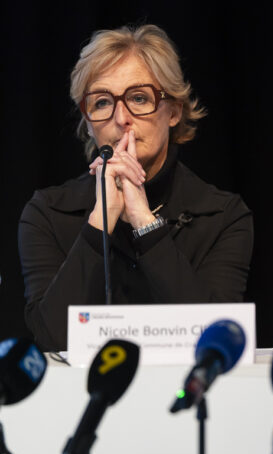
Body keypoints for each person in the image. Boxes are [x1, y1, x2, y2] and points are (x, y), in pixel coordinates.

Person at [18, 24, 253, 352]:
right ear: (88, 122)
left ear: (174, 111)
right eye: (102, 102)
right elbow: (52, 341)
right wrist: (100, 221)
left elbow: (216, 342)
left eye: (139, 98)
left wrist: (145, 222)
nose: (121, 118)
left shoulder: (223, 216)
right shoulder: (47, 213)